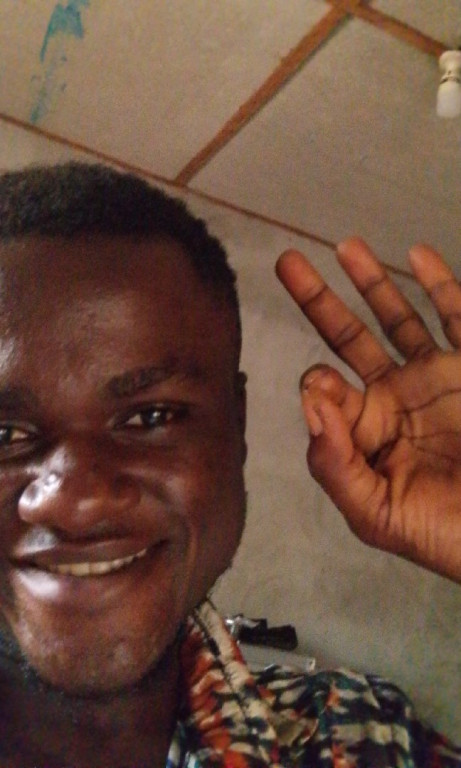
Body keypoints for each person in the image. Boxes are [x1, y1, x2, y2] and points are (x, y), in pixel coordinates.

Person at [0, 161, 458, 768]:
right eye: (4, 434)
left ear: (235, 427)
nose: (74, 500)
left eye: (150, 417)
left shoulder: (359, 738)